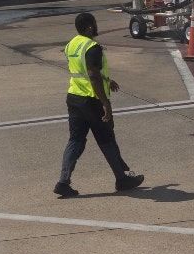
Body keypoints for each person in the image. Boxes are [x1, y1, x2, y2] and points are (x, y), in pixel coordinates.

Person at [55, 12, 144, 197]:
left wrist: (107, 79)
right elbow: (92, 74)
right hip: (92, 100)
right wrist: (105, 104)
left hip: (74, 98)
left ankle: (63, 181)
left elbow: (83, 69)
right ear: (89, 27)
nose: (96, 27)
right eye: (94, 24)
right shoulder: (92, 46)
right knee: (106, 140)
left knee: (75, 141)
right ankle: (122, 179)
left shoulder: (71, 44)